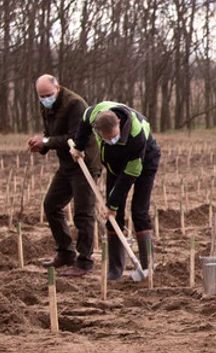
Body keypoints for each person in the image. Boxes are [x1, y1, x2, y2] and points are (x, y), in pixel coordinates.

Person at [69, 101, 161, 281]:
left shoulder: (137, 135)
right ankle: (115, 270)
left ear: (118, 122)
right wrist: (79, 147)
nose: (111, 140)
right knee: (113, 217)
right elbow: (84, 122)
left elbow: (130, 175)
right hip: (114, 165)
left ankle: (147, 267)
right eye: (106, 138)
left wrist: (112, 203)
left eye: (113, 136)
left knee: (139, 211)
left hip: (144, 162)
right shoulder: (95, 115)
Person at [28, 75, 102, 277]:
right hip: (67, 164)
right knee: (51, 205)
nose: (45, 99)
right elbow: (49, 132)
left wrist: (46, 141)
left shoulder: (75, 104)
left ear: (58, 88)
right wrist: (41, 145)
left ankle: (84, 262)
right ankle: (66, 252)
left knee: (83, 213)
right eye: (41, 96)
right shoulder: (45, 105)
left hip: (84, 162)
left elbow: (75, 138)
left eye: (48, 95)